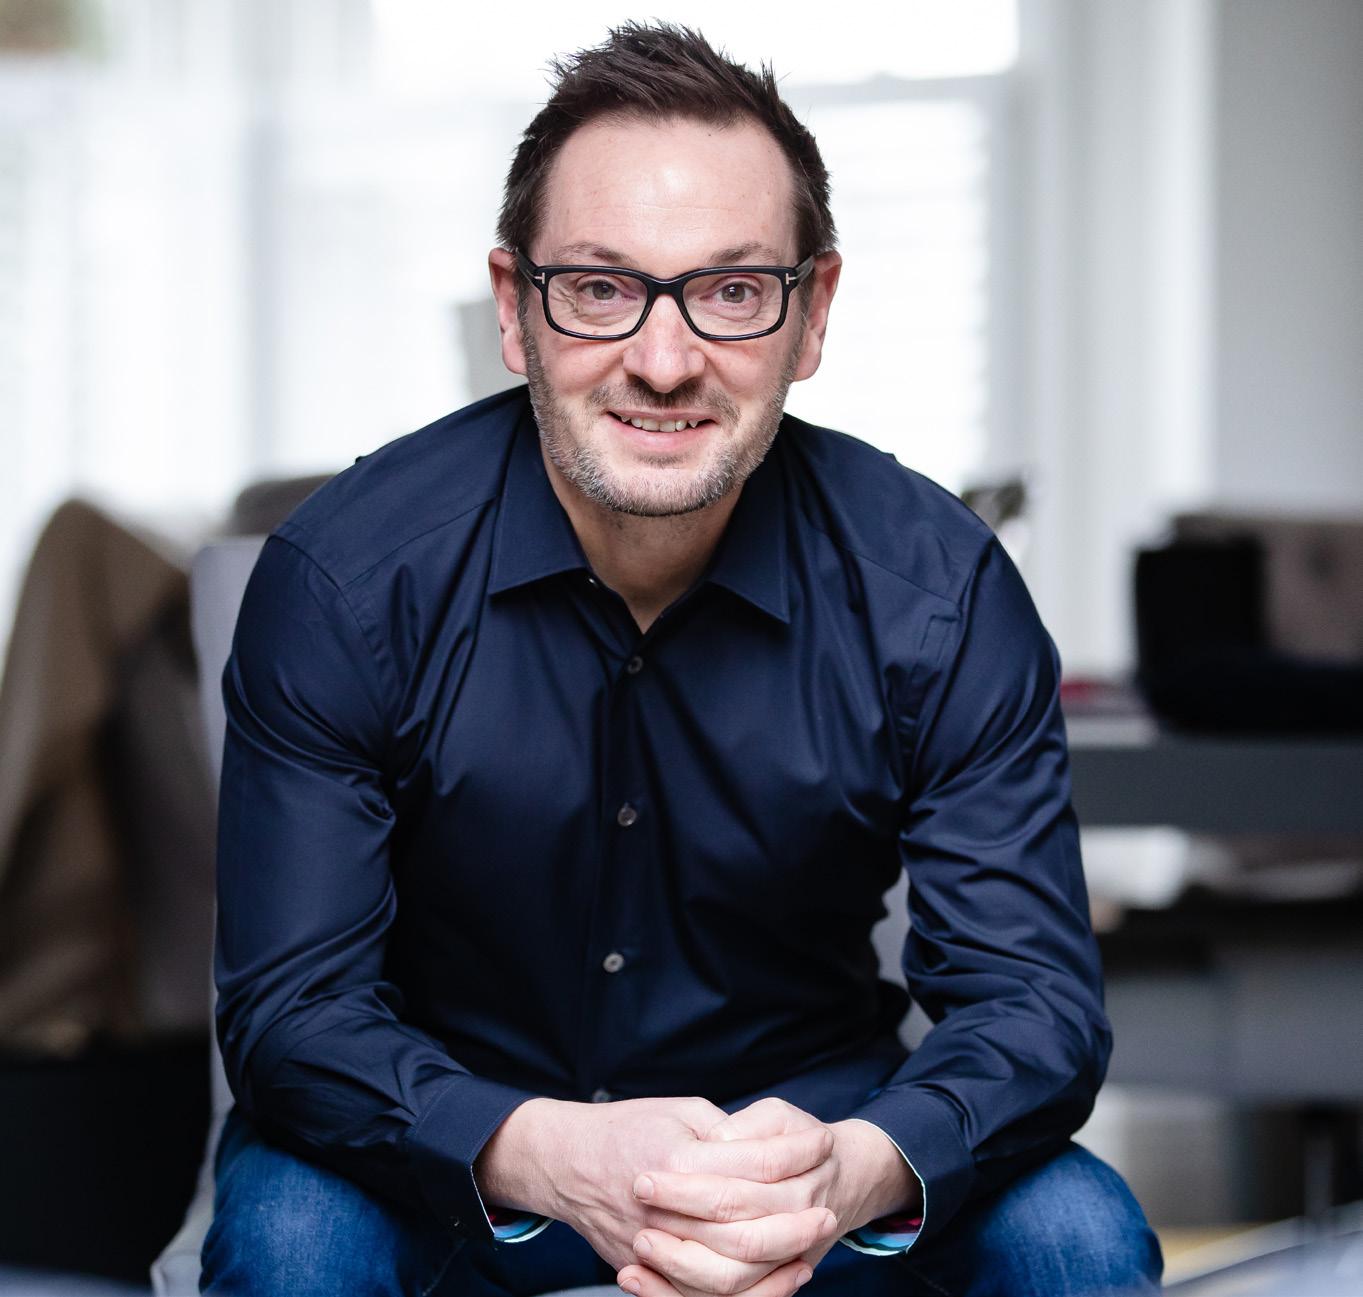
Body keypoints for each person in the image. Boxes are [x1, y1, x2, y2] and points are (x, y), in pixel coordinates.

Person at [202, 21, 1163, 1297]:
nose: (663, 363)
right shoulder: (345, 581)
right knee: (290, 1239)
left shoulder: (938, 592)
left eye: (732, 291)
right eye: (601, 290)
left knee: (1075, 1235)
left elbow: (1034, 1005)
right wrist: (547, 1152)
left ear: (810, 315)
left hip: (805, 1152)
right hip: (457, 1155)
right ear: (514, 309)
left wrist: (851, 1169)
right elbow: (292, 1016)